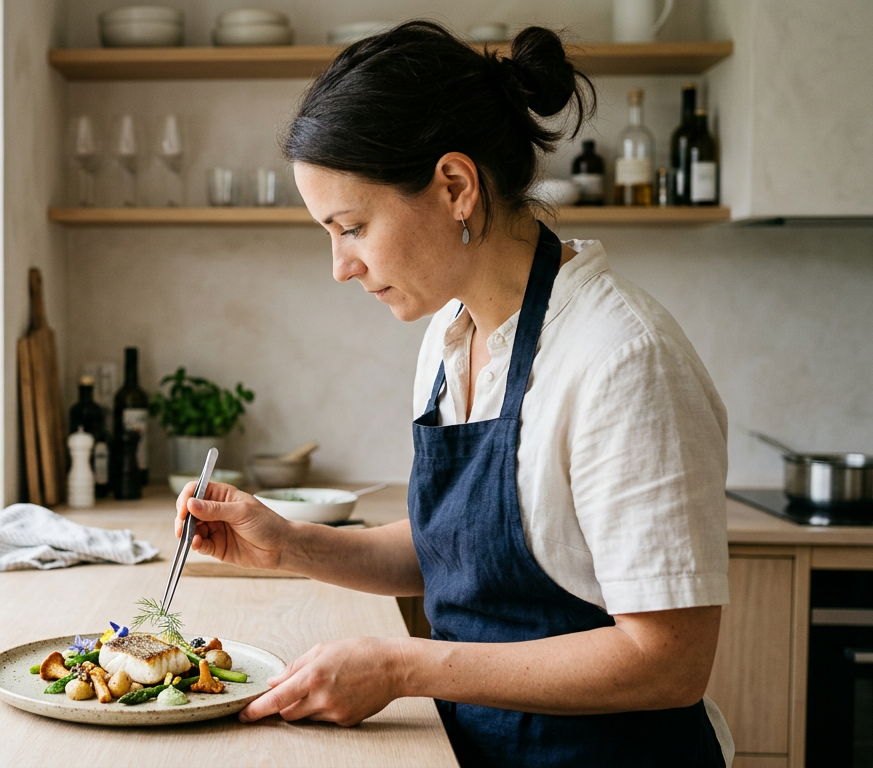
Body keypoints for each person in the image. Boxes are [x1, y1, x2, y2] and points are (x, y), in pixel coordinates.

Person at [175, 21, 733, 767]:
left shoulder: (623, 361)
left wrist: (401, 666)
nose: (340, 266)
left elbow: (669, 661)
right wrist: (289, 544)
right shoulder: (452, 332)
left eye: (352, 227)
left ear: (455, 188)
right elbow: (457, 552)